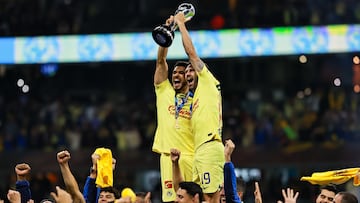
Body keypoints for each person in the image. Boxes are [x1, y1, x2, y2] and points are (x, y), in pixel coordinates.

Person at [174, 11, 225, 203]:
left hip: (210, 146)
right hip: (200, 150)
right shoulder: (195, 98)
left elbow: (191, 53)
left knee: (210, 199)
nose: (188, 72)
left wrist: (180, 23)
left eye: (190, 70)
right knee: (193, 198)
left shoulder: (208, 81)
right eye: (185, 71)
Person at [152, 16, 194, 202]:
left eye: (181, 73)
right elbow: (161, 62)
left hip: (191, 157)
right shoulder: (164, 92)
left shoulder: (197, 99)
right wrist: (167, 33)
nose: (176, 75)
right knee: (171, 200)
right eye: (174, 73)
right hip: (168, 158)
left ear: (188, 77)